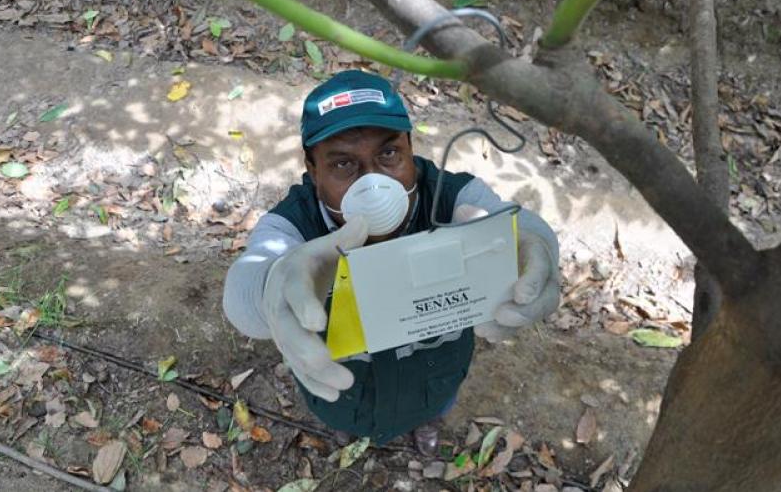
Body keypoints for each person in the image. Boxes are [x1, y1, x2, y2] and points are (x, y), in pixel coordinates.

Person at [223, 70, 560, 454]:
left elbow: (520, 225)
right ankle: (347, 429)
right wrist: (273, 285)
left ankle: (425, 423)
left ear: (410, 149)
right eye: (343, 165)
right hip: (343, 393)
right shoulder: (295, 222)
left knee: (432, 410)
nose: (374, 185)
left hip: (433, 381)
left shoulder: (449, 197)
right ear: (313, 170)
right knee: (341, 416)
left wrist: (533, 249)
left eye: (388, 154)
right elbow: (245, 290)